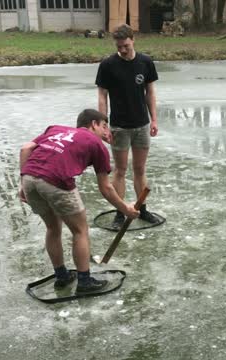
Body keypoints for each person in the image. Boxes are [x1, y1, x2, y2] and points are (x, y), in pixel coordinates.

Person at [19, 109, 139, 294]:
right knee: (80, 230)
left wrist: (22, 183)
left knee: (53, 228)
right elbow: (106, 188)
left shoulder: (55, 128)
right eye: (104, 126)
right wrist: (125, 209)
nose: (106, 131)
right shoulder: (96, 143)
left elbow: (26, 148)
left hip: (29, 178)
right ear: (93, 124)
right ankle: (84, 281)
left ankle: (62, 276)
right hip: (56, 180)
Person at [95, 24, 160, 228]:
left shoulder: (145, 62)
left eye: (125, 45)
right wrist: (104, 124)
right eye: (119, 46)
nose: (122, 50)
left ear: (133, 40)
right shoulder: (108, 65)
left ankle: (142, 209)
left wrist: (154, 119)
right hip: (119, 127)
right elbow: (102, 96)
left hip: (141, 124)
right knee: (121, 170)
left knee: (139, 169)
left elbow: (150, 92)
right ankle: (120, 212)